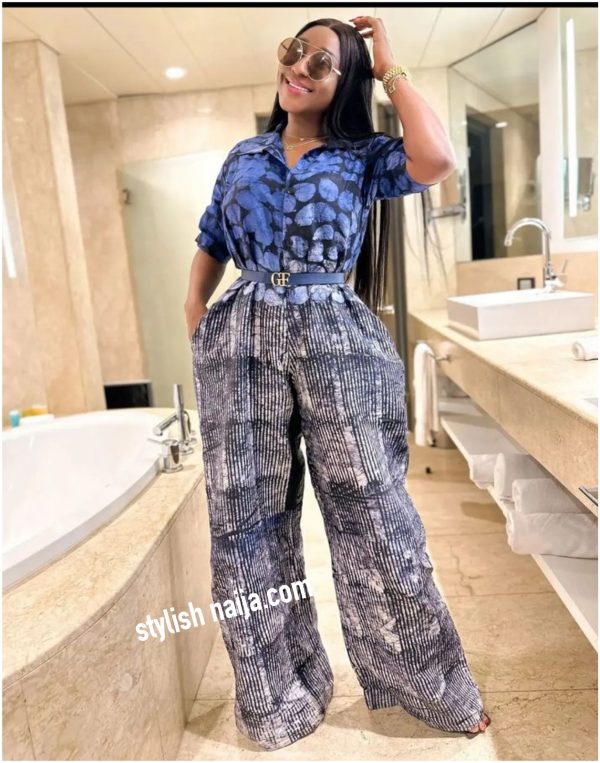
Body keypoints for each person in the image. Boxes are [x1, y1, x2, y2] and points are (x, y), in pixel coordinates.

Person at [185, 15, 491, 752]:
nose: (299, 68)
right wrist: (197, 317)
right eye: (296, 51)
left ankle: (428, 683)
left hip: (335, 333)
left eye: (321, 62)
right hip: (241, 337)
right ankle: (276, 694)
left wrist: (389, 68)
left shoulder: (363, 156)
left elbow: (437, 157)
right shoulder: (244, 155)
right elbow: (211, 240)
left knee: (375, 511)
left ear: (344, 80)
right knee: (244, 520)